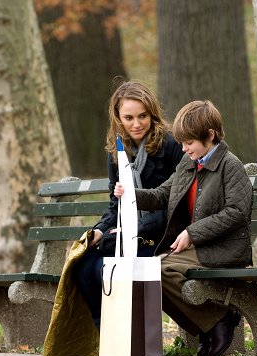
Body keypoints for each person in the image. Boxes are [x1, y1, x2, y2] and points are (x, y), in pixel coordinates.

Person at [115, 100, 253, 356]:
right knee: (148, 275)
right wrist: (131, 194)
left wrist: (193, 232)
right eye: (182, 142)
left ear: (210, 135)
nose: (183, 148)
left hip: (224, 248)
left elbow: (237, 212)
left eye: (189, 142)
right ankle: (207, 327)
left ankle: (217, 320)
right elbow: (161, 195)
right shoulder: (189, 163)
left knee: (160, 271)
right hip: (199, 247)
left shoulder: (230, 166)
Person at [73, 80, 184, 335]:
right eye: (129, 117)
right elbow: (116, 205)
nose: (137, 124)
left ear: (152, 113)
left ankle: (130, 344)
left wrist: (130, 232)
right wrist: (100, 231)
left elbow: (174, 201)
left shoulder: (170, 145)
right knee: (85, 265)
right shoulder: (117, 152)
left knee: (110, 269)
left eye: (143, 116)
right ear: (118, 118)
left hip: (162, 234)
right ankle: (110, 341)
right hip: (128, 235)